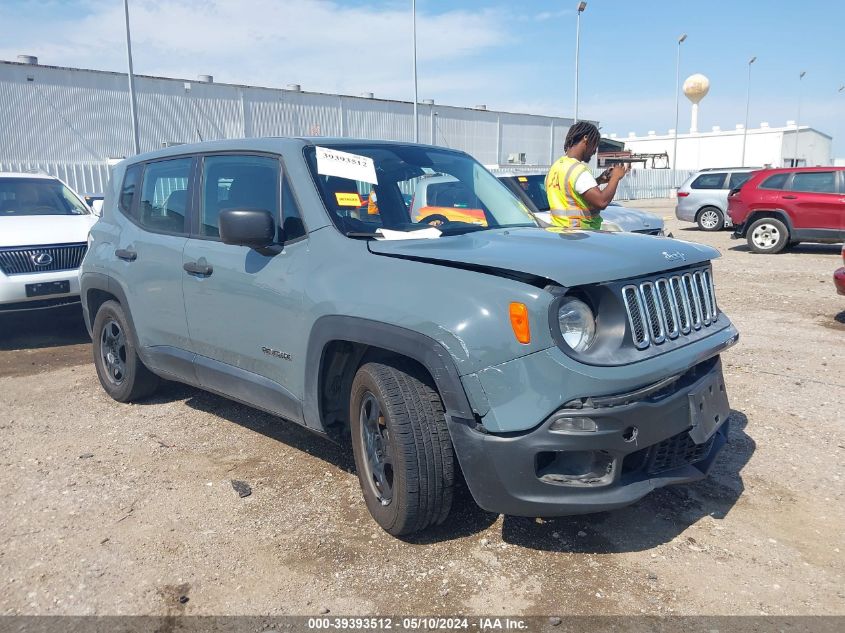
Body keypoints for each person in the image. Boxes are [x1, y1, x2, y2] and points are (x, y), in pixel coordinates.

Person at [545, 121, 628, 229]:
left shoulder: (555, 168)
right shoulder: (578, 170)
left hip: (560, 232)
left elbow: (572, 192)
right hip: (581, 235)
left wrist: (598, 180)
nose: (594, 151)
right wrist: (616, 177)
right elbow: (601, 202)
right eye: (595, 144)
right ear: (585, 138)